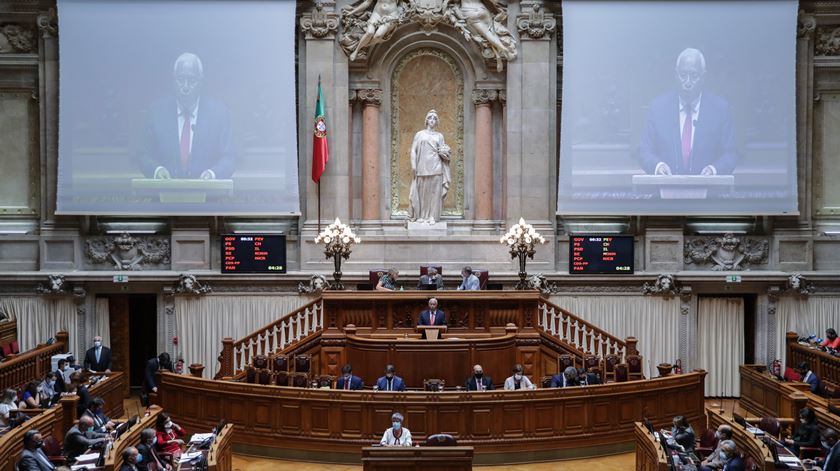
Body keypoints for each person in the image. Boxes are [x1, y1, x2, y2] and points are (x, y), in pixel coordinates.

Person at [136, 52, 235, 180]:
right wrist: (156, 170)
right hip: (164, 193)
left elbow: (229, 157)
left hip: (208, 195)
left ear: (201, 81)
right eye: (181, 80)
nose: (185, 87)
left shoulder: (219, 113)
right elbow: (143, 154)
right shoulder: (156, 112)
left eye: (192, 80)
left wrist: (212, 174)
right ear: (173, 79)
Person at [639, 48, 737, 176]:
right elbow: (644, 151)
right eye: (683, 75)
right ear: (676, 75)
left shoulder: (720, 109)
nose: (688, 83)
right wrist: (657, 166)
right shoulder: (658, 108)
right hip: (665, 190)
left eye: (694, 76)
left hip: (708, 191)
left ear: (703, 77)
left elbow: (730, 154)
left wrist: (714, 170)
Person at [408, 109, 451, 225]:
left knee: (434, 193)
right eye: (430, 118)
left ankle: (432, 216)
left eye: (435, 119)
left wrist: (446, 153)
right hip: (422, 167)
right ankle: (421, 215)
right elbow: (413, 150)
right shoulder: (419, 134)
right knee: (422, 192)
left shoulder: (439, 136)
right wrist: (413, 165)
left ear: (437, 122)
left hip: (436, 167)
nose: (432, 120)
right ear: (426, 120)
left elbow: (443, 150)